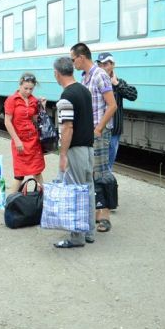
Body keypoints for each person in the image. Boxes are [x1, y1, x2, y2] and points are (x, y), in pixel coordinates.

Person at [70, 43, 117, 233]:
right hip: (89, 132)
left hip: (99, 132)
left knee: (101, 172)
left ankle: (105, 216)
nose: (73, 63)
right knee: (91, 171)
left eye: (73, 59)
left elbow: (111, 105)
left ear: (82, 57)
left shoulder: (100, 75)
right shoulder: (85, 77)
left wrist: (98, 128)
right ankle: (97, 212)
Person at [52, 57, 96, 249]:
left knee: (75, 192)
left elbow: (67, 127)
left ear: (57, 73)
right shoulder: (85, 91)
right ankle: (89, 232)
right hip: (88, 149)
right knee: (88, 190)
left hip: (75, 150)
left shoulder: (66, 97)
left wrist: (62, 155)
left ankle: (77, 237)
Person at [3, 73, 46, 194]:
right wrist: (16, 140)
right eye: (25, 88)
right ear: (20, 85)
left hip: (33, 141)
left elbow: (36, 120)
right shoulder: (12, 100)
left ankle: (46, 200)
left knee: (37, 171)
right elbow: (7, 122)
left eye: (31, 89)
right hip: (19, 141)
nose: (28, 91)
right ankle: (10, 203)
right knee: (19, 175)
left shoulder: (34, 100)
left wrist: (42, 107)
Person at [96, 52, 138, 173]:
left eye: (106, 64)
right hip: (98, 129)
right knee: (97, 164)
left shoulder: (119, 82)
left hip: (114, 131)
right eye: (100, 65)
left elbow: (133, 95)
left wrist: (116, 84)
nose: (103, 68)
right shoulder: (95, 81)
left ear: (113, 65)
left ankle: (106, 188)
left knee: (108, 165)